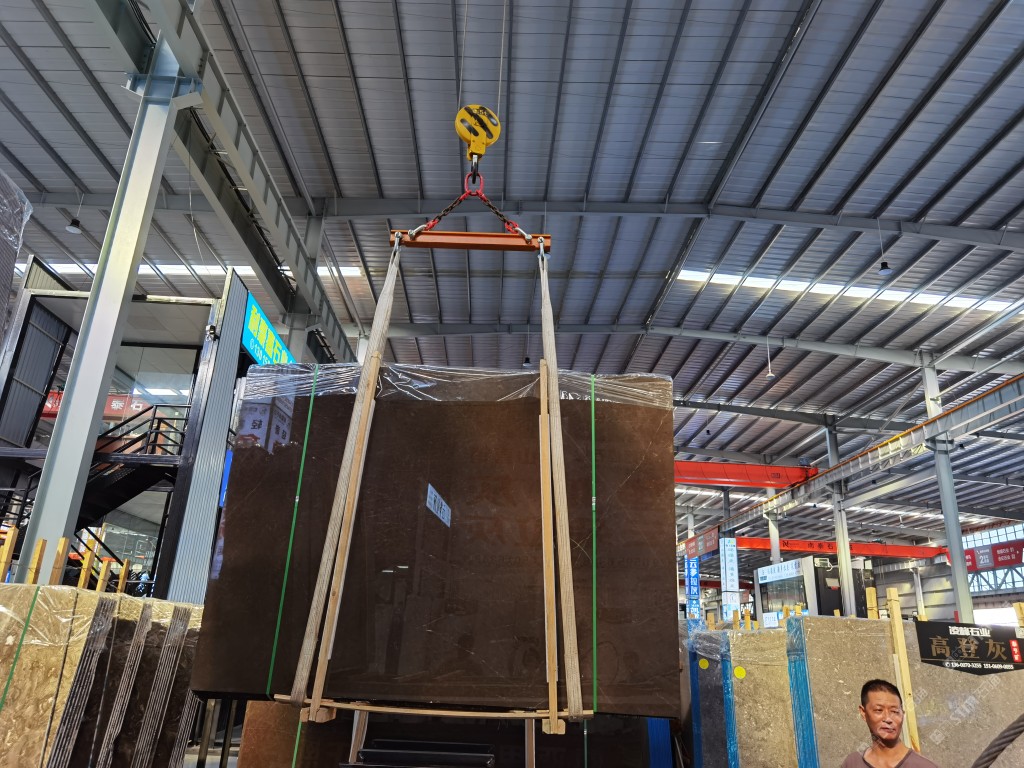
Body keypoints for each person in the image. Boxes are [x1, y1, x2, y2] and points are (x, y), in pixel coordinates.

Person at [842, 679, 939, 767]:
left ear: (902, 714)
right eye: (879, 710)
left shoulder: (924, 766)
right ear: (863, 713)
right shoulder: (852, 763)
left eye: (895, 711)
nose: (888, 719)